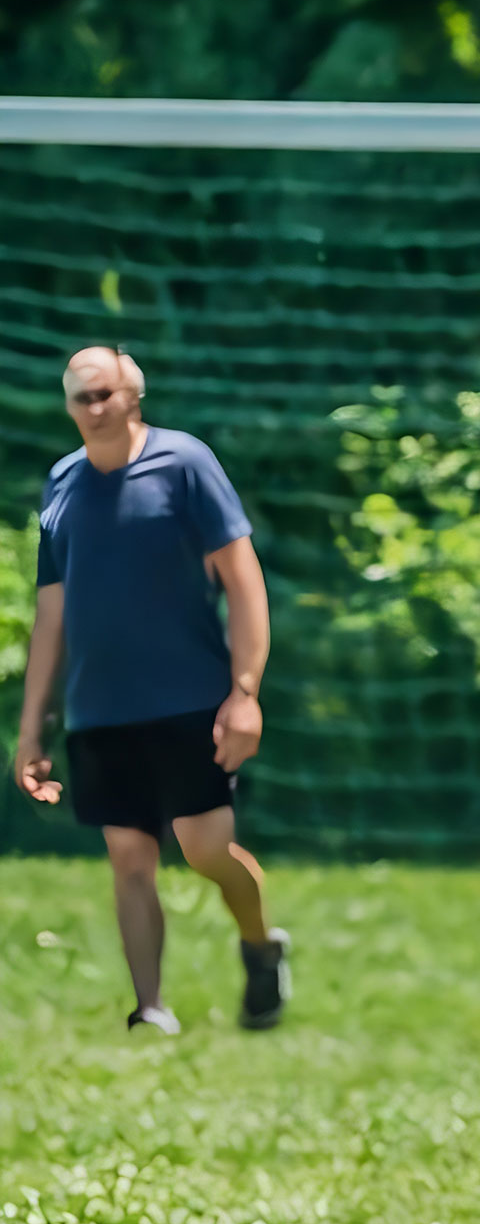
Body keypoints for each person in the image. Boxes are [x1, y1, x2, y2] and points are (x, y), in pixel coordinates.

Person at [14, 347, 290, 1034]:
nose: (95, 407)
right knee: (129, 857)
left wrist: (245, 691)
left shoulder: (185, 463)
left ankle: (260, 943)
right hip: (99, 709)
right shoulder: (62, 485)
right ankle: (151, 1009)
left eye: (106, 393)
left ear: (134, 397)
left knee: (204, 850)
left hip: (191, 701)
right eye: (82, 396)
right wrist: (32, 727)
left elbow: (243, 577)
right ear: (68, 405)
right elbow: (51, 614)